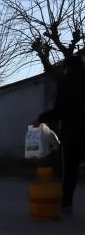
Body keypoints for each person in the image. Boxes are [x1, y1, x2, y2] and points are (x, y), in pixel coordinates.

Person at [33, 55, 85, 215]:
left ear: (68, 68)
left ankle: (66, 205)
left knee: (70, 170)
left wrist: (40, 118)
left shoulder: (66, 83)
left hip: (72, 135)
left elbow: (60, 110)